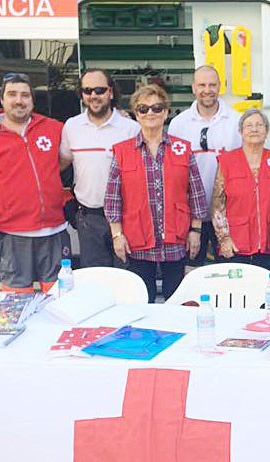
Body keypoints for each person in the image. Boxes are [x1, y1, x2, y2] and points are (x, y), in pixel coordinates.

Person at [0, 72, 69, 292]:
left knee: (60, 299)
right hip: (12, 235)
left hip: (54, 232)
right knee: (16, 304)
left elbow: (83, 136)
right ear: (2, 100)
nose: (19, 100)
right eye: (12, 94)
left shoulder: (53, 128)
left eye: (25, 95)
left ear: (32, 100)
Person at [104, 84, 208, 302]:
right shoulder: (122, 151)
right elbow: (113, 197)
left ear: (166, 112)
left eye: (157, 107)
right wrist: (117, 235)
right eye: (143, 108)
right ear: (136, 114)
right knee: (142, 300)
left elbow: (196, 192)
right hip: (137, 238)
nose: (150, 113)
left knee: (177, 300)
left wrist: (195, 230)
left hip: (175, 238)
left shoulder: (182, 149)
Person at [59, 69, 140, 268]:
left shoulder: (131, 129)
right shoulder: (71, 127)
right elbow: (61, 165)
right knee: (95, 282)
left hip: (126, 219)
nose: (93, 95)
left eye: (99, 89)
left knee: (126, 281)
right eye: (87, 90)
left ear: (110, 93)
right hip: (89, 219)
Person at [167, 65, 242, 269]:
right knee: (190, 273)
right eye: (201, 85)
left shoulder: (237, 122)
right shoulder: (178, 124)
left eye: (212, 84)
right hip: (190, 217)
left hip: (227, 217)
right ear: (193, 88)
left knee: (227, 274)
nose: (207, 90)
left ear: (220, 86)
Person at [212, 109, 270, 271]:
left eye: (259, 125)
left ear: (266, 131)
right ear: (240, 132)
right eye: (249, 126)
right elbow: (218, 204)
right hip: (236, 245)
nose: (254, 129)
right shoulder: (227, 161)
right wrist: (224, 238)